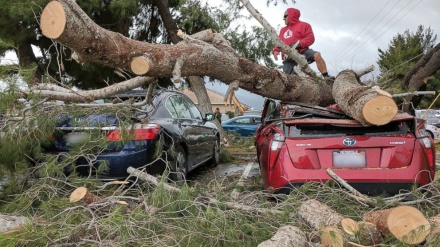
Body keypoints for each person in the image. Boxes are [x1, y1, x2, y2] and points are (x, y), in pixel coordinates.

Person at [272, 8, 334, 80]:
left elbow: (310, 38)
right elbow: (278, 41)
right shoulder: (283, 30)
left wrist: (299, 44)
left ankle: (326, 76)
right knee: (289, 80)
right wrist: (276, 50)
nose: (283, 18)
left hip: (302, 53)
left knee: (317, 55)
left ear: (292, 15)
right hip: (288, 58)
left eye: (285, 16)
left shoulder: (304, 25)